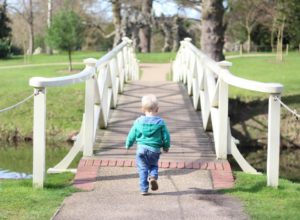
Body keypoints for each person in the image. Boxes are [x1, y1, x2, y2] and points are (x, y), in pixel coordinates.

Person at [125, 94, 171, 195]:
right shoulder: (160, 122)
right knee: (153, 165)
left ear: (142, 109)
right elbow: (166, 136)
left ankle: (144, 189)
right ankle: (153, 177)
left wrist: (128, 144)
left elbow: (131, 134)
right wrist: (166, 146)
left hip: (141, 150)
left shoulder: (138, 122)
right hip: (154, 150)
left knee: (142, 169)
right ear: (157, 109)